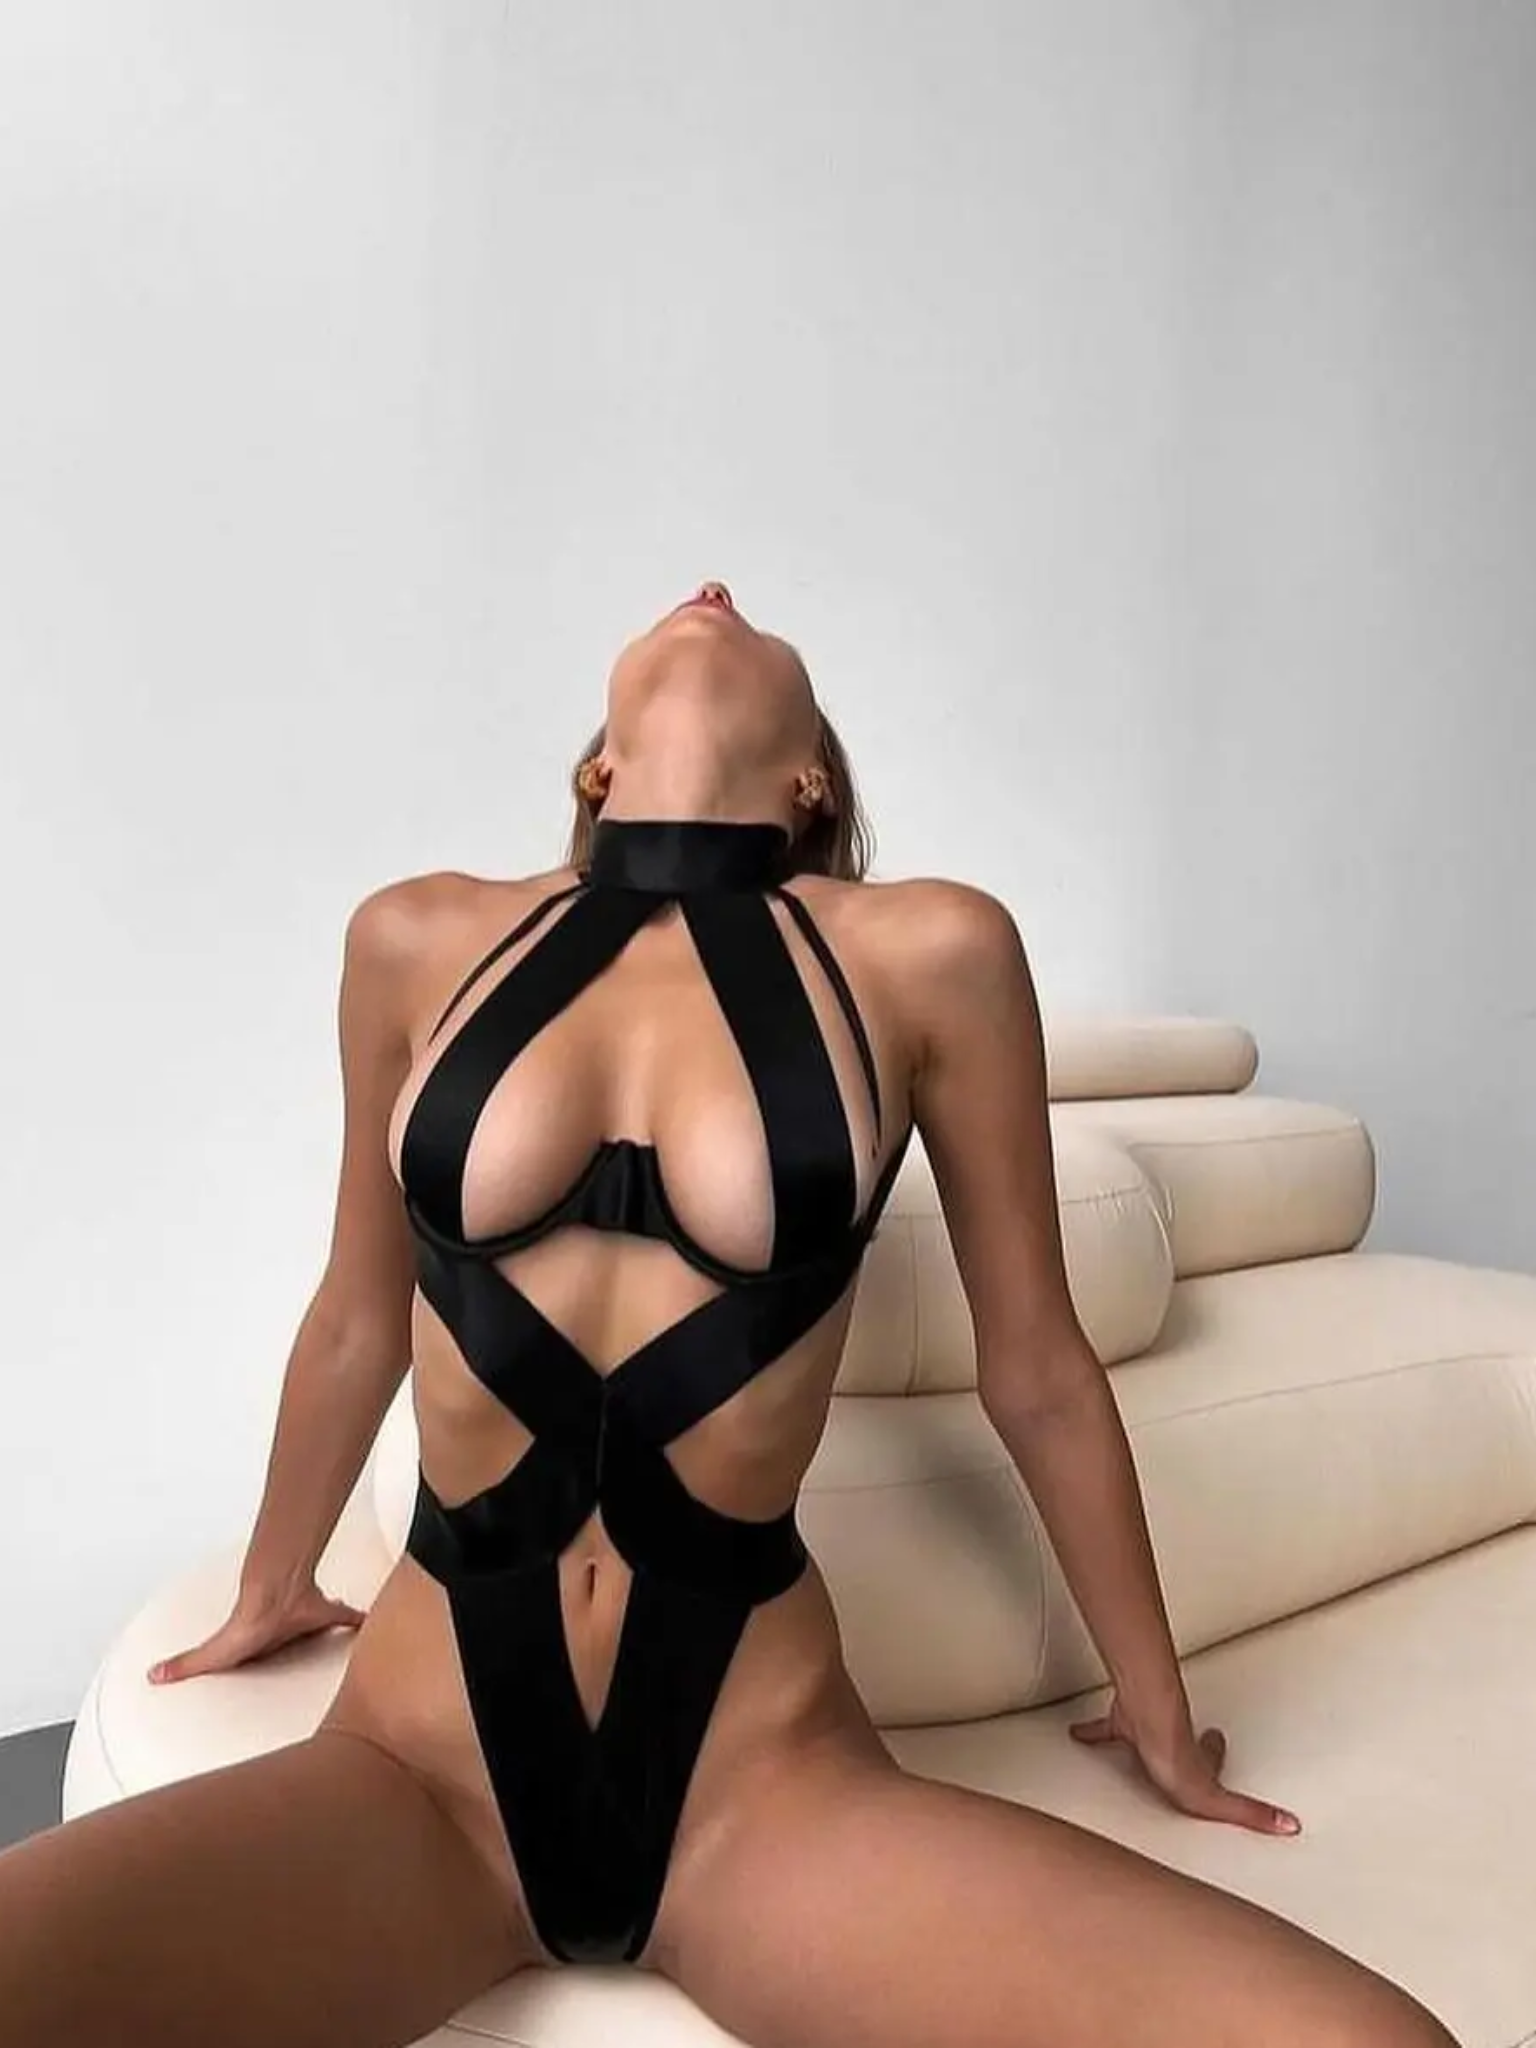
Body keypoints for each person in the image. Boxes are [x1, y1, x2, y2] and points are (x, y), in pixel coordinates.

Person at [0, 581, 1460, 2048]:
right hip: (423, 1770)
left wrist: (1157, 1708)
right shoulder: (414, 937)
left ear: (812, 778)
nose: (711, 592)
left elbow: (1038, 1370)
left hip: (757, 1790)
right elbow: (353, 1317)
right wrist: (273, 1583)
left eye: (746, 614)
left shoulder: (931, 952)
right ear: (598, 769)